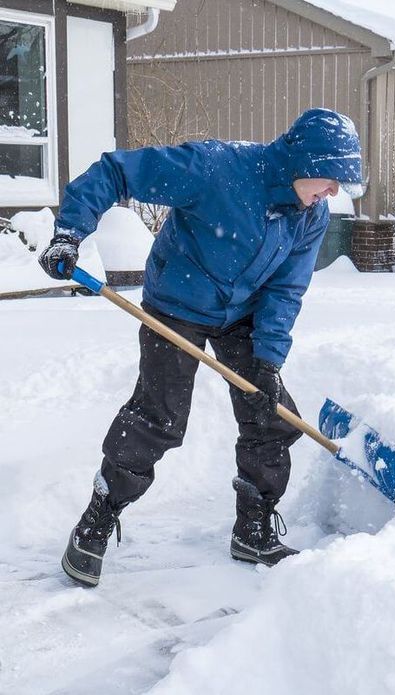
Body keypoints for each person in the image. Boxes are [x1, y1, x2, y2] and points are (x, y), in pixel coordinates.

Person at [39, 108, 363, 587]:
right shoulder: (216, 167)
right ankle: (97, 519)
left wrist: (268, 363)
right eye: (331, 178)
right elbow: (115, 171)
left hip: (243, 313)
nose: (334, 192)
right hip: (177, 304)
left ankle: (252, 529)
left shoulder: (309, 215)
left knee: (271, 415)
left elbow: (286, 290)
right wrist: (69, 233)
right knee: (159, 417)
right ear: (303, 161)